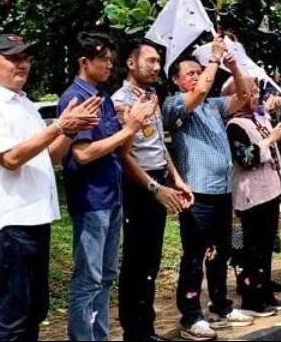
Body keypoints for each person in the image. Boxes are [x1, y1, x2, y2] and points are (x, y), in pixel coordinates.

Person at [0, 34, 101, 341]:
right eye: (13, 58)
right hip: (12, 221)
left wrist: (73, 129)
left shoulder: (24, 105)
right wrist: (59, 127)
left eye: (25, 57)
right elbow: (10, 158)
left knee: (35, 309)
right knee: (14, 315)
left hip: (37, 217)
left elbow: (49, 156)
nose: (22, 64)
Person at [60, 32, 157, 342]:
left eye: (111, 60)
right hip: (91, 201)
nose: (108, 66)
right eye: (103, 59)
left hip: (112, 199)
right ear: (84, 62)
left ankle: (99, 336)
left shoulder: (101, 97)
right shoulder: (76, 98)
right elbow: (83, 153)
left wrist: (135, 123)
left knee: (105, 278)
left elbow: (119, 149)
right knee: (88, 280)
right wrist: (128, 127)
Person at [163, 36, 255, 341]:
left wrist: (233, 67)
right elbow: (201, 88)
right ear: (176, 81)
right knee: (194, 255)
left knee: (222, 252)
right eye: (189, 73)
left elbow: (244, 94)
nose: (196, 76)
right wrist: (214, 57)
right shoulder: (175, 105)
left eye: (197, 70)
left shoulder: (213, 106)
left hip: (221, 191)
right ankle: (190, 315)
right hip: (196, 193)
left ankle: (221, 306)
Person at [113, 39, 194, 342]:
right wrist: (154, 187)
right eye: (150, 60)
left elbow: (160, 144)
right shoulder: (120, 101)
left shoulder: (151, 96)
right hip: (139, 185)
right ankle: (134, 331)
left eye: (159, 61)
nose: (156, 67)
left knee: (151, 259)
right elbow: (125, 154)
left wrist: (176, 178)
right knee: (136, 259)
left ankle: (146, 328)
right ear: (131, 63)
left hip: (159, 179)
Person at [224, 78, 281, 316]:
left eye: (255, 92)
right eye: (249, 93)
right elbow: (246, 158)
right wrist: (270, 139)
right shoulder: (234, 125)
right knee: (252, 249)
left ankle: (265, 293)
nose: (255, 97)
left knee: (265, 246)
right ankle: (252, 299)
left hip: (270, 190)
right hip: (252, 195)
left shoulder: (257, 120)